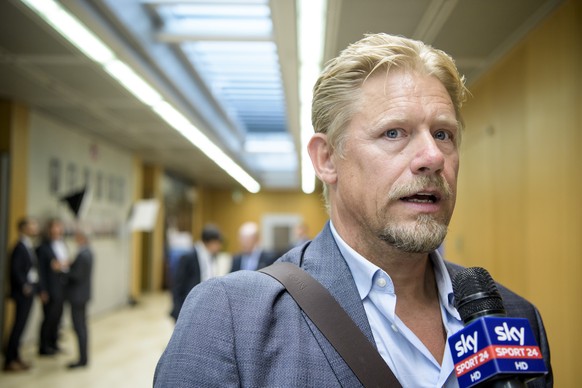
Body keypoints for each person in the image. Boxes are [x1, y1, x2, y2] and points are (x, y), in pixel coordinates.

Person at [154, 33, 552, 387]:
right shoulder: (232, 319)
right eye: (394, 132)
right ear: (327, 159)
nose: (432, 156)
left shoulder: (515, 317)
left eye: (443, 134)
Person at [3, 217, 39, 372]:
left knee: (22, 325)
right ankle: (9, 360)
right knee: (18, 325)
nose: (35, 227)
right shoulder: (19, 247)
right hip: (22, 293)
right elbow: (16, 270)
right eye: (32, 225)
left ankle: (16, 356)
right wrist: (25, 286)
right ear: (23, 228)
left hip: (28, 291)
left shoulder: (27, 245)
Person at [170, 225, 223, 321]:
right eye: (217, 243)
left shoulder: (212, 257)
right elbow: (177, 286)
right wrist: (178, 310)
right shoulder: (189, 257)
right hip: (190, 306)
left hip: (205, 306)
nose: (219, 247)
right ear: (210, 242)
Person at [36, 218, 69, 355]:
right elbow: (40, 271)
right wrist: (42, 290)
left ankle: (54, 343)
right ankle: (44, 346)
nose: (57, 230)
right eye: (54, 227)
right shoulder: (43, 248)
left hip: (61, 286)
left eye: (59, 227)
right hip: (50, 287)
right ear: (49, 230)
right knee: (48, 317)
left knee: (57, 317)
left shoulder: (63, 244)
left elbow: (63, 263)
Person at [65, 229, 93, 369]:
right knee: (81, 326)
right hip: (82, 295)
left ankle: (82, 359)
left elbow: (77, 276)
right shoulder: (87, 252)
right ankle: (83, 357)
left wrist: (63, 269)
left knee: (79, 327)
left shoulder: (83, 255)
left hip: (77, 296)